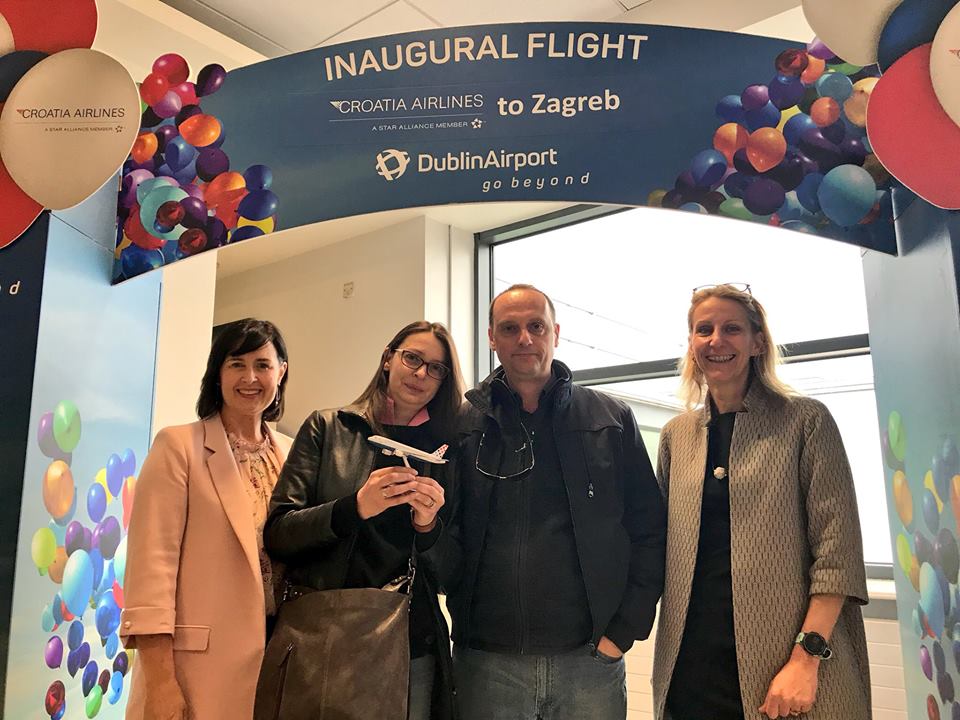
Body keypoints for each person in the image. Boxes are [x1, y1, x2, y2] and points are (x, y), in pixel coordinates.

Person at [421, 284, 667, 720]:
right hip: (486, 663)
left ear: (555, 332)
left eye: (536, 326)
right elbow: (448, 538)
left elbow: (649, 530)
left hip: (590, 662)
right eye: (509, 328)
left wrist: (623, 632)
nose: (525, 339)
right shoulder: (461, 427)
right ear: (492, 338)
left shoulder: (610, 419)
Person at [652, 283, 871, 720]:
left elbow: (837, 555)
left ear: (757, 342)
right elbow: (653, 543)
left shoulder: (805, 421)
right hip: (691, 669)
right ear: (691, 344)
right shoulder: (677, 436)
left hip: (784, 668)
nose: (716, 340)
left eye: (732, 329)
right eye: (704, 330)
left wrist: (806, 659)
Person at [263, 320, 465, 720]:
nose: (421, 374)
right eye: (412, 358)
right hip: (325, 634)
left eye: (436, 368)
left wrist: (428, 526)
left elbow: (453, 574)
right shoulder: (329, 427)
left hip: (412, 642)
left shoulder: (447, 453)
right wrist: (353, 507)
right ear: (388, 359)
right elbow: (280, 535)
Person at [121, 318, 292, 720]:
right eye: (236, 364)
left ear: (281, 371)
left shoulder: (291, 451)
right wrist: (161, 683)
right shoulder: (179, 445)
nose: (250, 378)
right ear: (217, 373)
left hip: (278, 663)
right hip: (196, 669)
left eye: (263, 365)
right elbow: (151, 570)